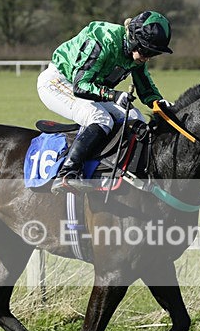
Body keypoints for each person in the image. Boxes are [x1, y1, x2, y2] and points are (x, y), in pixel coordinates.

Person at [37, 10, 173, 194]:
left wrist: (159, 103)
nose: (147, 57)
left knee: (135, 117)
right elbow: (81, 86)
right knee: (99, 117)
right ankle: (67, 172)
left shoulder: (136, 51)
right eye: (146, 50)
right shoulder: (103, 41)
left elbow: (145, 86)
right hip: (58, 82)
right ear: (133, 38)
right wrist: (114, 96)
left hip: (90, 88)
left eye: (153, 53)